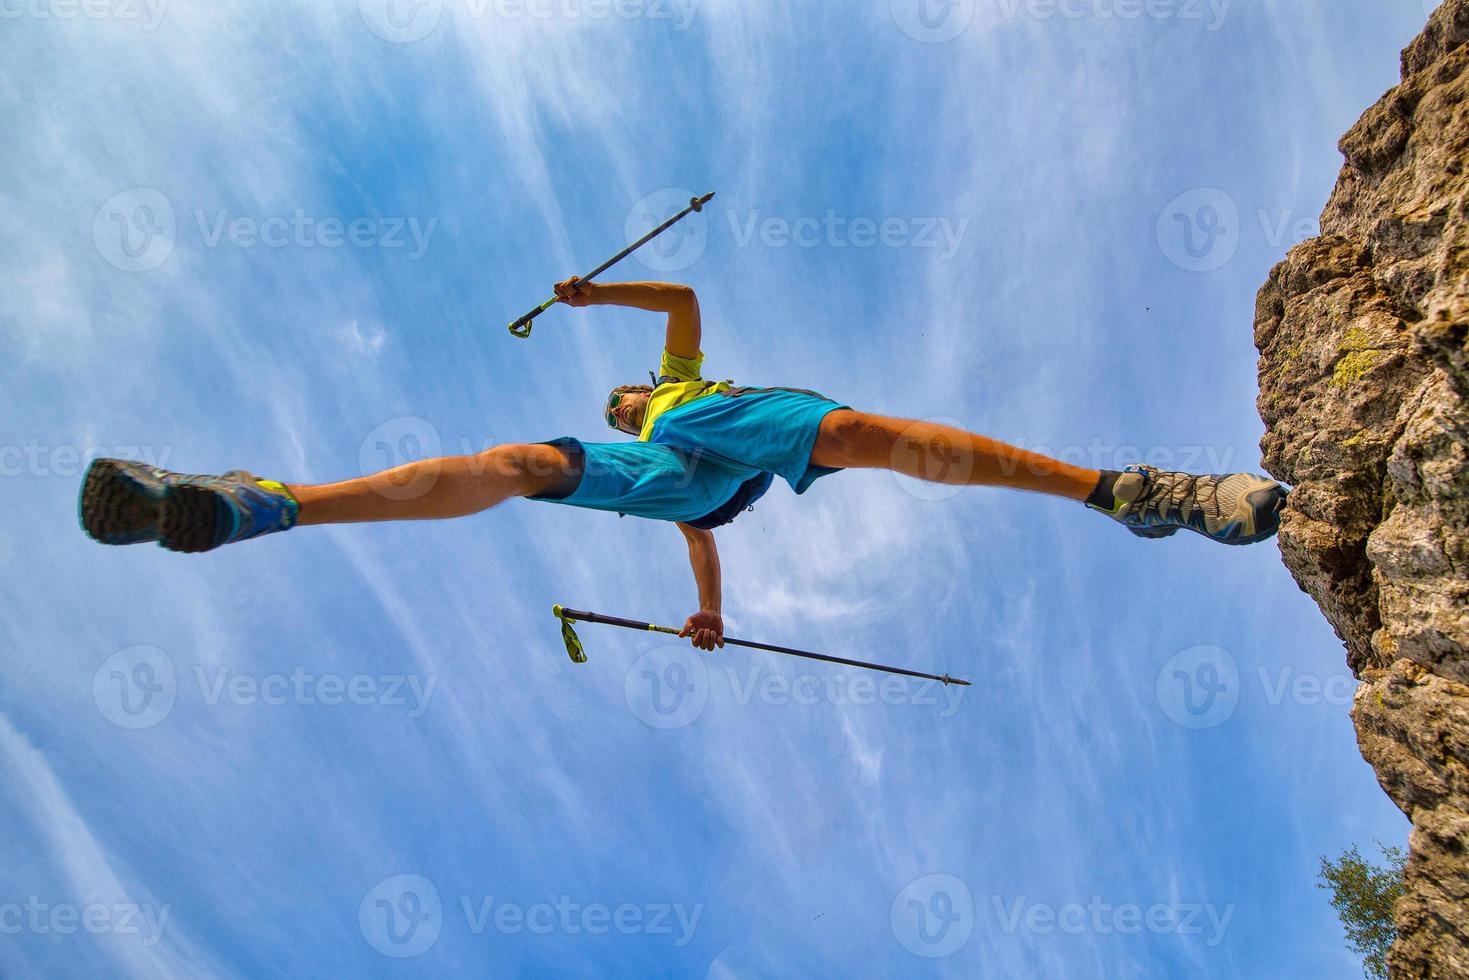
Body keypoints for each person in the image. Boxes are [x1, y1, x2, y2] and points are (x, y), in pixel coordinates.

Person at [79, 278, 1288, 651]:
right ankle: (262, 502)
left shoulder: (680, 374)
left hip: (732, 430)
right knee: (511, 463)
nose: (611, 387)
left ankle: (1128, 492)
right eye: (612, 389)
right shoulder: (635, 424)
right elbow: (698, 527)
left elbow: (682, 292)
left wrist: (589, 294)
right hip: (672, 477)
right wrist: (706, 614)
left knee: (855, 437)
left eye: (617, 380)